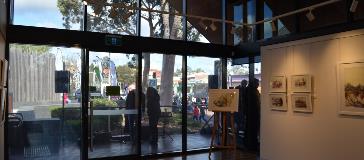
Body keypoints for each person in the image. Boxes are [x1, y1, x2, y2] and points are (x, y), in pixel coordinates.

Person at [244, 78, 260, 151]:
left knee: (252, 128)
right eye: (257, 83)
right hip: (252, 113)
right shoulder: (249, 91)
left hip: (254, 113)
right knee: (251, 128)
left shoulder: (254, 90)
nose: (258, 84)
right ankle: (251, 143)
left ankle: (252, 142)